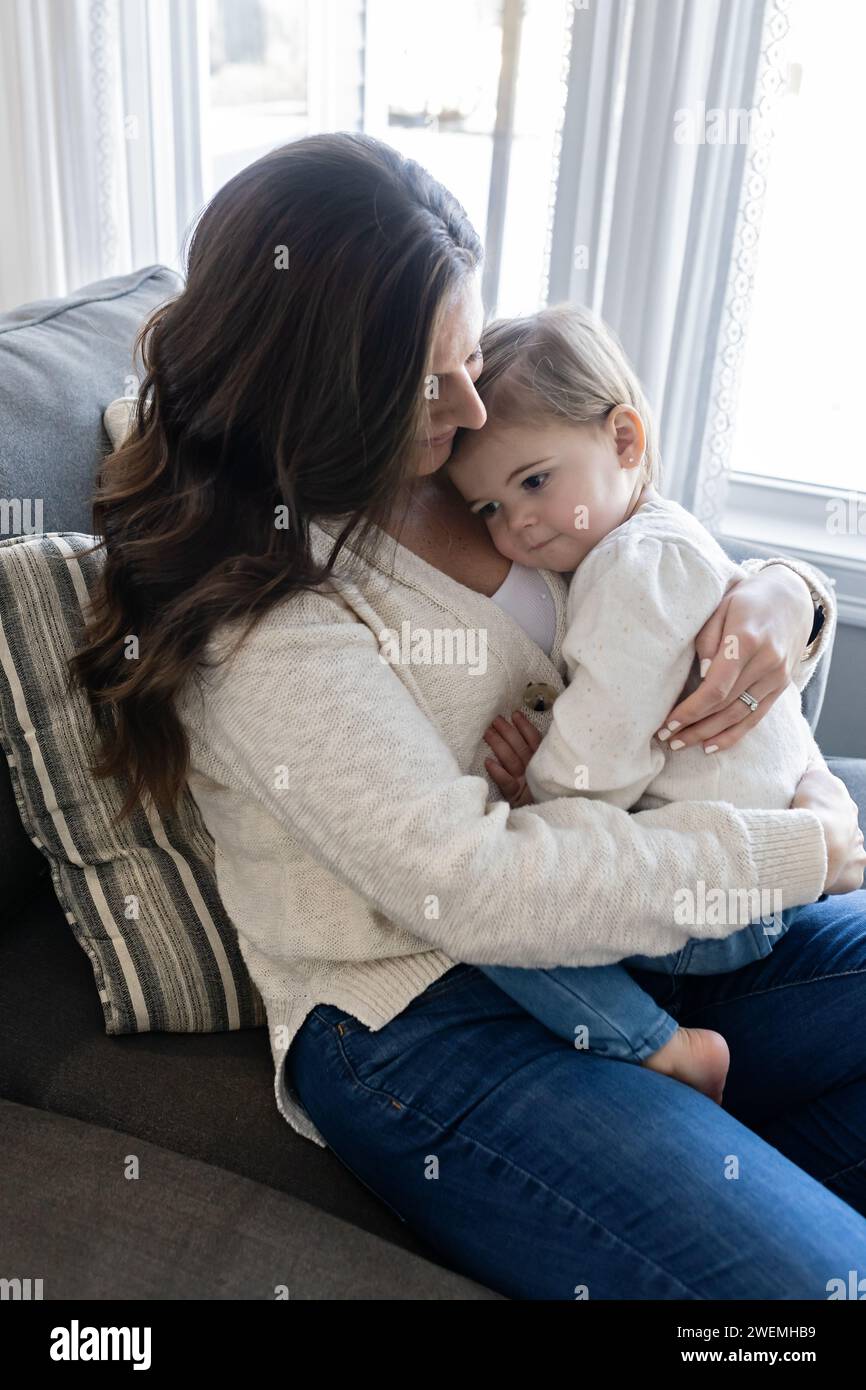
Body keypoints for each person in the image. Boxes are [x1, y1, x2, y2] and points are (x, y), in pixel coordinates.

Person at [70, 133, 866, 1299]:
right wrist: (792, 852)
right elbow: (475, 885)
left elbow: (650, 553)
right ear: (323, 378)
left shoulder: (462, 456)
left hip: (643, 925)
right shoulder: (264, 615)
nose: (472, 398)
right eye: (431, 376)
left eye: (465, 356)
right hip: (431, 1010)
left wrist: (787, 596)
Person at [446, 302, 864, 1107]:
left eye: (534, 483)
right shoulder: (657, 539)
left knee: (491, 917)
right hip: (757, 854)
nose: (519, 524)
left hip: (732, 889)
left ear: (625, 440)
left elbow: (604, 738)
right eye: (489, 509)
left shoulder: (632, 569)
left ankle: (660, 1048)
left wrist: (543, 793)